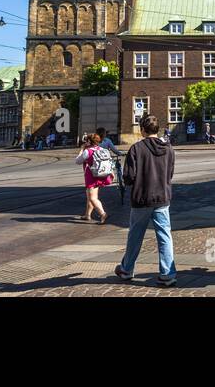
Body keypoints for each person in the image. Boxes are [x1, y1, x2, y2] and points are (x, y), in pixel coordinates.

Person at [114, 114, 177, 286]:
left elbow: (128, 177)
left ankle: (126, 269)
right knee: (165, 237)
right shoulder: (169, 149)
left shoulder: (136, 149)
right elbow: (170, 174)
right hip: (162, 198)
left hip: (141, 199)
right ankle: (167, 273)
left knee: (135, 236)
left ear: (142, 130)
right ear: (157, 129)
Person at [76, 132, 114, 224]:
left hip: (91, 176)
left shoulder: (87, 151)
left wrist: (81, 150)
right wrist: (112, 173)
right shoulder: (102, 149)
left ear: (89, 141)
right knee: (91, 196)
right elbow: (109, 162)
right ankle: (87, 215)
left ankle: (102, 214)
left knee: (92, 198)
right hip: (101, 175)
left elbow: (78, 161)